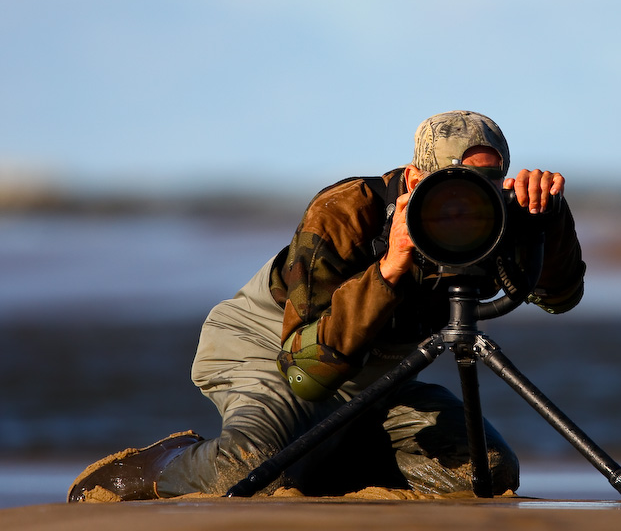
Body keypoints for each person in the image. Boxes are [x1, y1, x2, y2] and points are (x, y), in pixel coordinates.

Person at [68, 110, 585, 501]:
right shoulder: (346, 213)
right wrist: (391, 266)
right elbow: (304, 376)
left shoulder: (500, 219)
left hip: (378, 378)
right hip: (274, 353)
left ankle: (318, 456)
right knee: (246, 469)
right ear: (412, 179)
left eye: (485, 183)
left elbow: (558, 298)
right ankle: (164, 462)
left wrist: (548, 219)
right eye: (447, 186)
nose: (462, 203)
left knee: (485, 473)